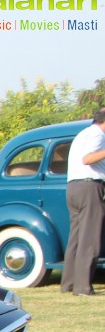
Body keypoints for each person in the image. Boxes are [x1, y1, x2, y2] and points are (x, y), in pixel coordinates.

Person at [62, 109, 105, 296]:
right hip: (89, 186)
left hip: (73, 187)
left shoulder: (83, 133)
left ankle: (69, 282)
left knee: (76, 238)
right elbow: (88, 158)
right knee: (90, 238)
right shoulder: (98, 134)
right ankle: (83, 287)